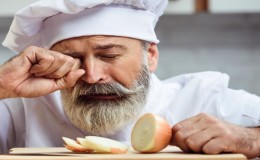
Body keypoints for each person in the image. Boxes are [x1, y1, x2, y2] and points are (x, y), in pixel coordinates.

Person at [0, 0, 260, 158]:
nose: (92, 76)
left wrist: (249, 139)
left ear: (151, 56)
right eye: (74, 60)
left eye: (110, 56)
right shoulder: (21, 109)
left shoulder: (203, 98)